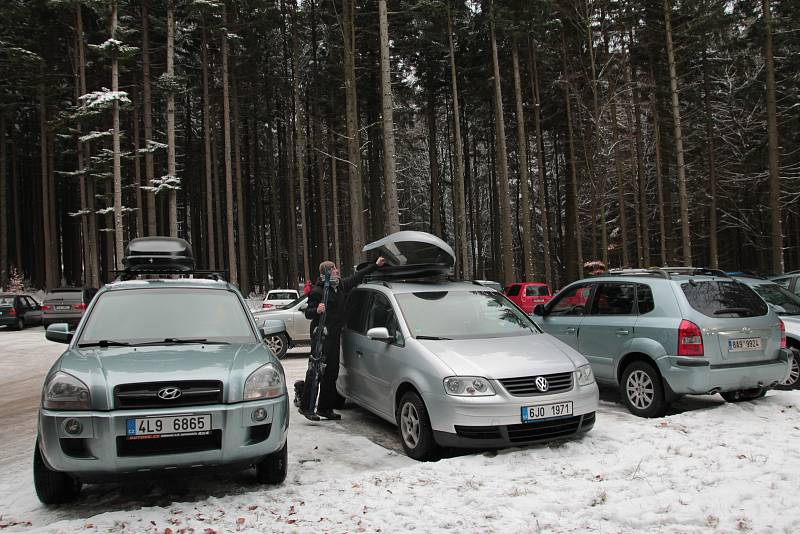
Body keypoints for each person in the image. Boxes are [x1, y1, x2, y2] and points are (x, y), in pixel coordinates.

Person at [299, 256, 386, 421]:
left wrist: (375, 265)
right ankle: (306, 406)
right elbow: (307, 313)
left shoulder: (340, 286)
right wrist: (316, 310)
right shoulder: (317, 291)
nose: (336, 271)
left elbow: (357, 277)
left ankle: (325, 408)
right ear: (326, 273)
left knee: (332, 372)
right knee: (316, 371)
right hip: (321, 336)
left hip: (335, 335)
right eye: (333, 269)